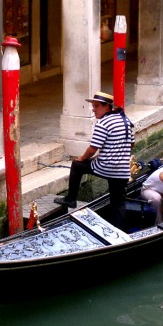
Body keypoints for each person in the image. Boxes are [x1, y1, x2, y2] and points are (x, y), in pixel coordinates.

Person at [55, 91, 135, 228]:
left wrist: (81, 158)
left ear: (107, 107)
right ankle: (119, 231)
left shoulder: (103, 123)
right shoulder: (125, 120)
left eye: (97, 106)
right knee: (118, 204)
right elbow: (131, 144)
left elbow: (93, 149)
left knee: (77, 165)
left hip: (105, 167)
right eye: (93, 106)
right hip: (122, 171)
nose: (94, 109)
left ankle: (71, 199)